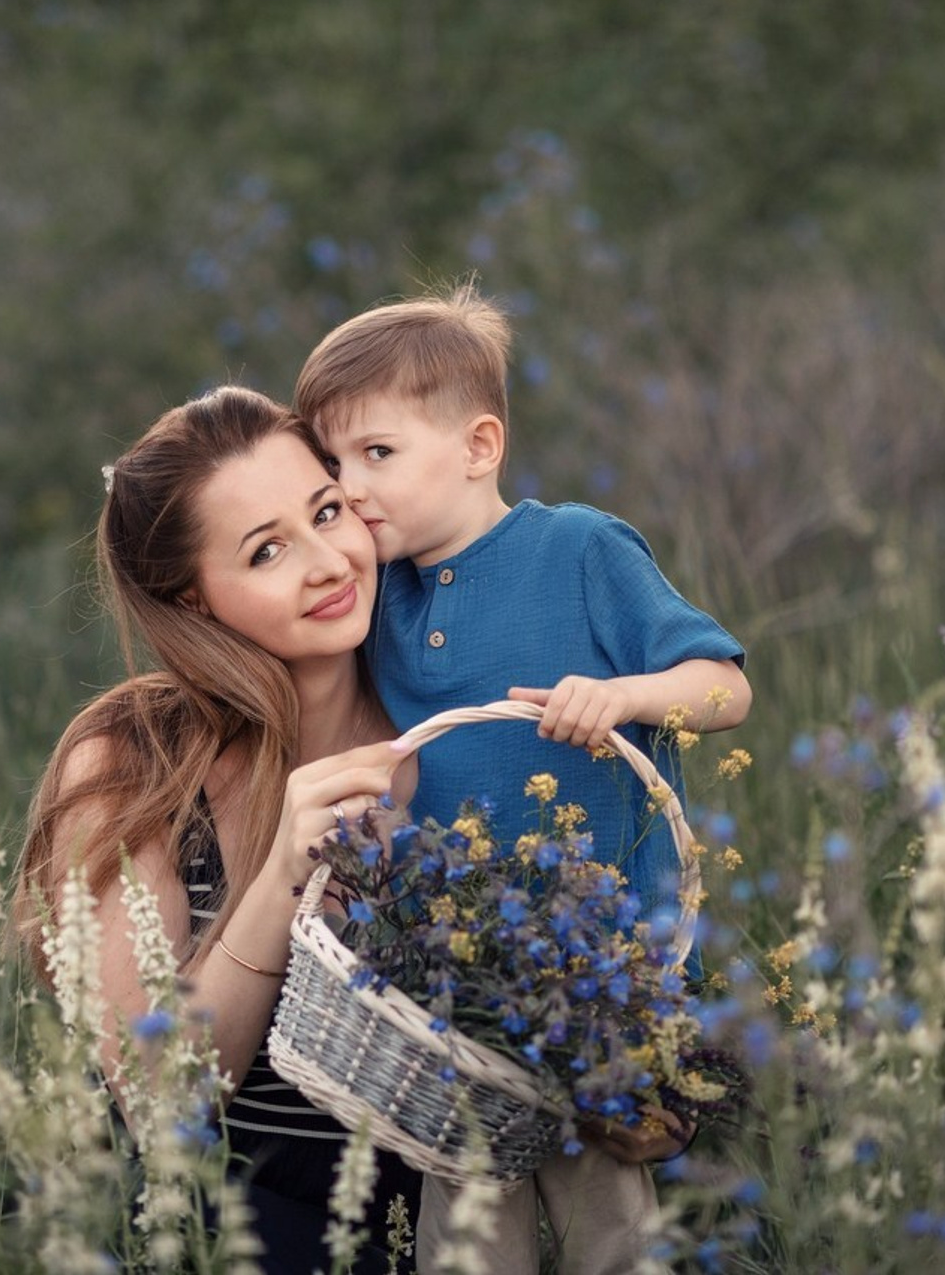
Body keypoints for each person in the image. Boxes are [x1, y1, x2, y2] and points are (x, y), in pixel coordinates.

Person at [294, 286, 753, 1275]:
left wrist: (625, 694)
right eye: (331, 464)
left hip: (600, 977)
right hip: (457, 992)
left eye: (376, 452)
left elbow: (721, 687)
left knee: (609, 1228)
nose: (350, 485)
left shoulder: (576, 546)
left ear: (477, 444)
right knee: (465, 1235)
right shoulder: (379, 595)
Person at [9, 386, 421, 1274]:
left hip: (408, 1225)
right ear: (195, 601)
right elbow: (160, 1102)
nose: (328, 562)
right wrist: (281, 877)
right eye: (268, 550)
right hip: (192, 1218)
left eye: (328, 511)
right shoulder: (135, 761)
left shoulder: (454, 735)